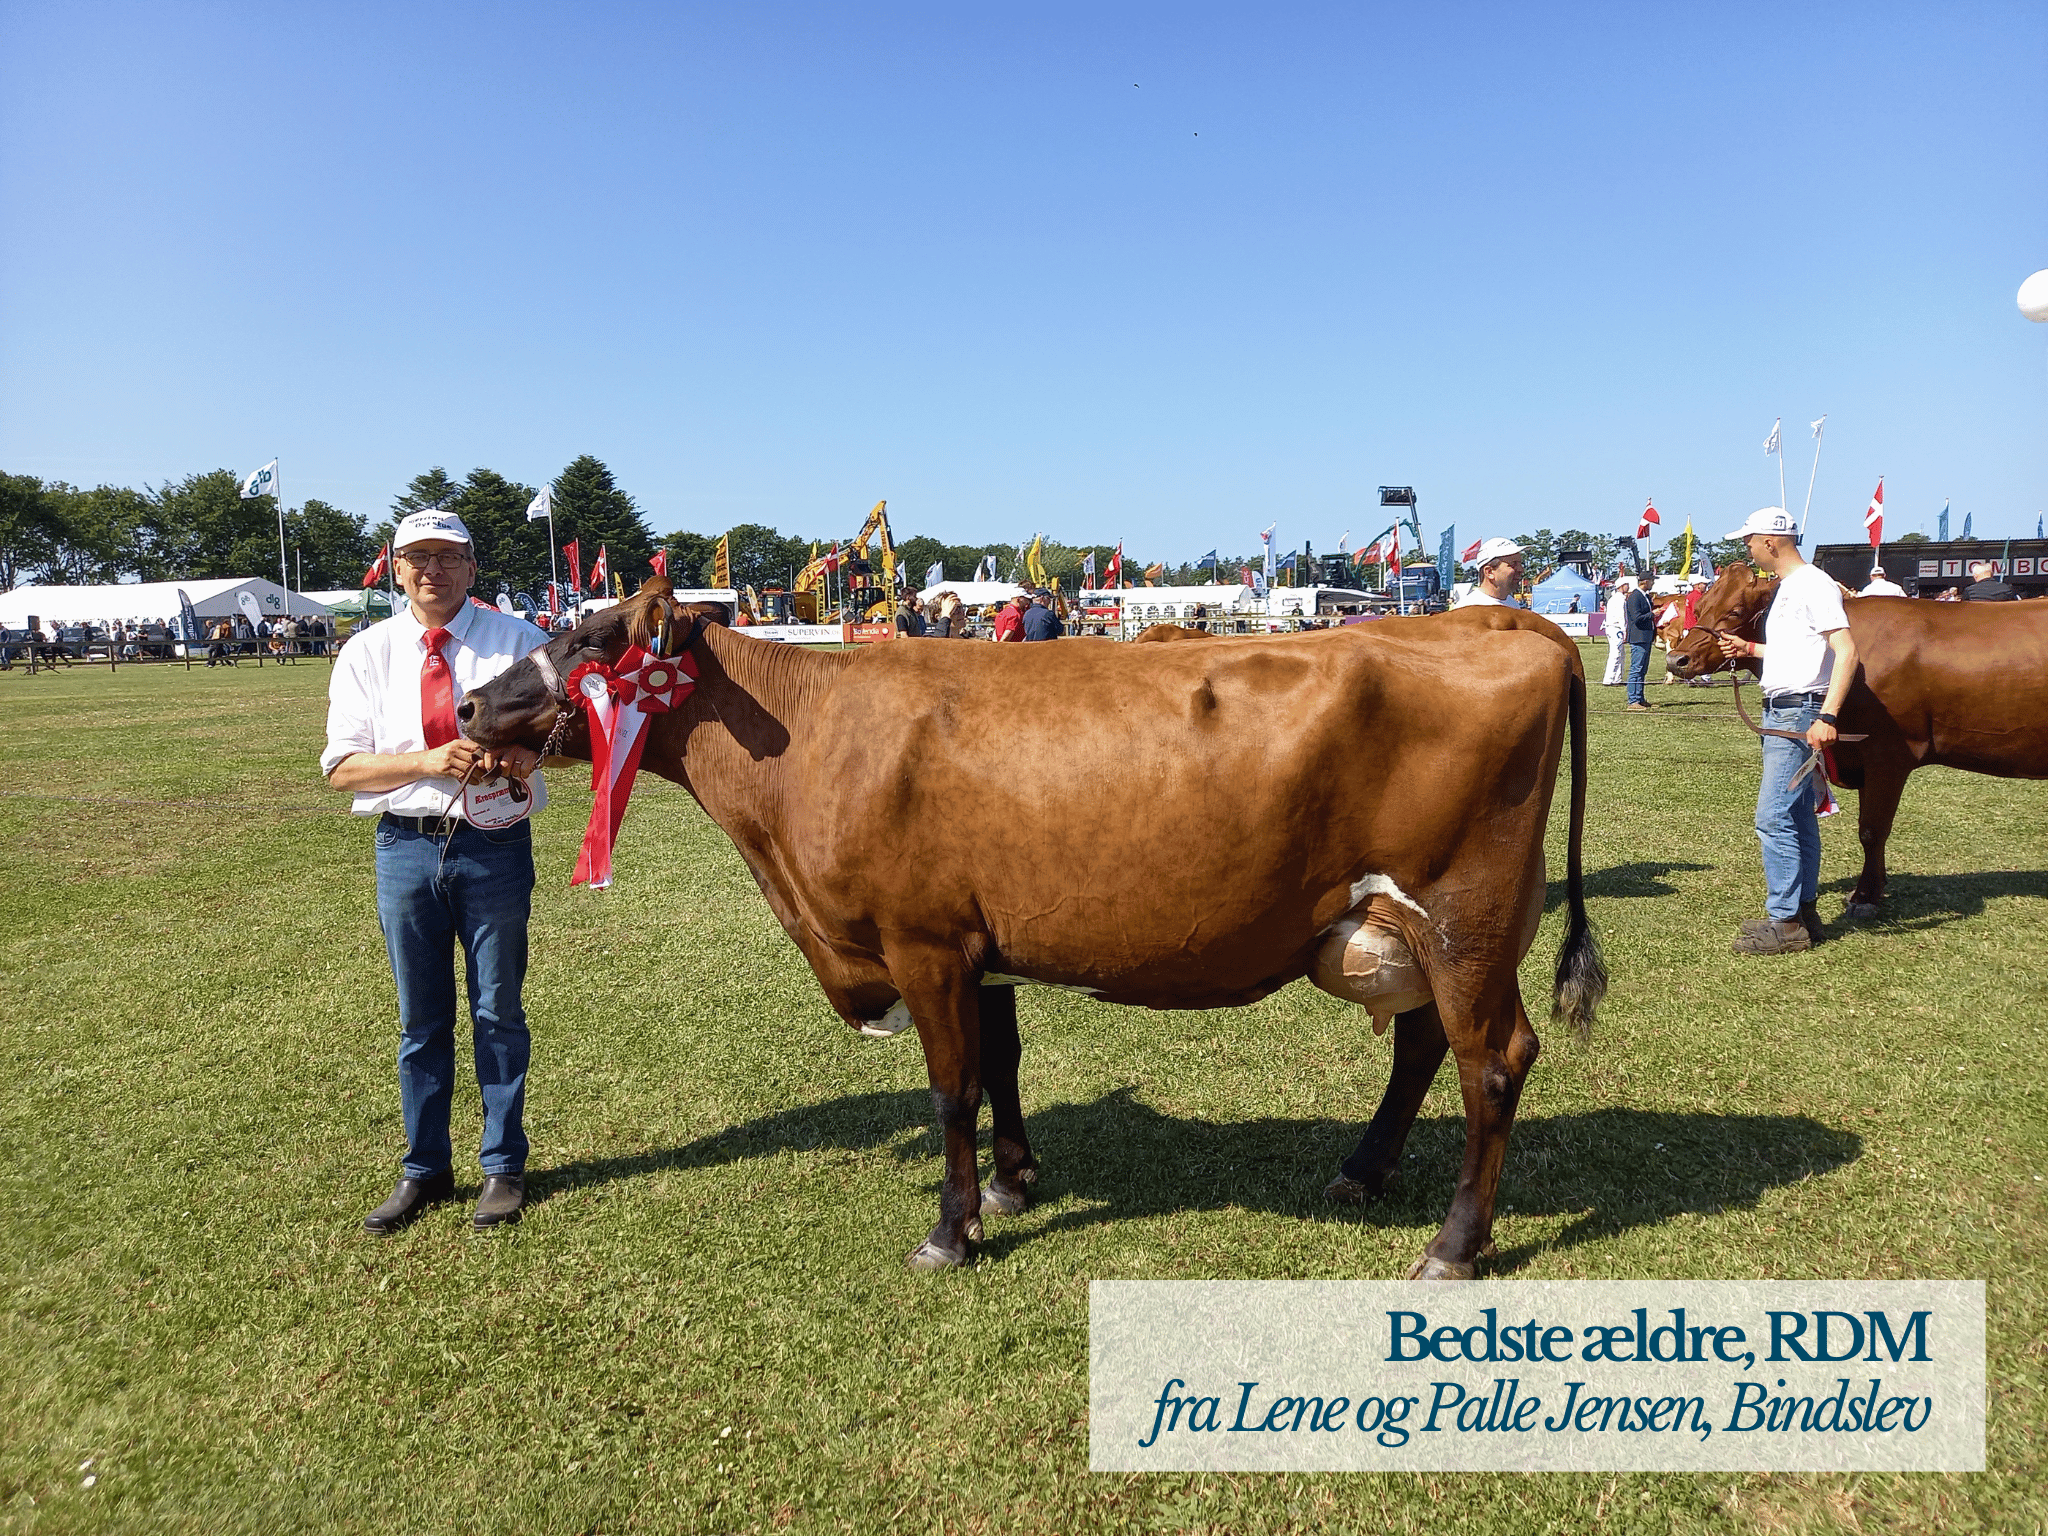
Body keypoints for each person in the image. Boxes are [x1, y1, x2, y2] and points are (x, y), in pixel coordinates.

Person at [321, 510, 549, 1233]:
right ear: (396, 569)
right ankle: (424, 1170)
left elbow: (575, 730)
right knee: (421, 1021)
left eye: (448, 557)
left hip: (494, 846)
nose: (433, 570)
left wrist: (529, 756)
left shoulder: (519, 641)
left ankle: (502, 1168)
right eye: (418, 557)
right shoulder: (367, 652)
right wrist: (424, 760)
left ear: (473, 567)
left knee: (497, 1013)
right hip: (405, 849)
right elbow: (341, 769)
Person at [1714, 507, 1857, 957]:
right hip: (1787, 712)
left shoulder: (1812, 583)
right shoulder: (1796, 586)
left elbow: (1845, 649)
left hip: (1799, 714)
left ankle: (1785, 924)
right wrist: (1751, 648)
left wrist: (1828, 716)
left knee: (1773, 816)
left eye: (1749, 541)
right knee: (1794, 815)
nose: (1748, 548)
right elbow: (1802, 648)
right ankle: (1802, 913)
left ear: (1771, 542)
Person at [1456, 539, 1524, 607]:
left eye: (1520, 563)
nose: (1521, 570)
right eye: (1513, 564)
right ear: (1489, 572)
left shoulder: (1513, 604)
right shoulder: (1467, 608)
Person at [1623, 578, 1656, 708]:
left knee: (1642, 669)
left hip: (1646, 636)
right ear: (1645, 582)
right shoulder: (1635, 597)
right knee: (1636, 669)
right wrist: (1652, 614)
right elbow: (1636, 618)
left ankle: (1640, 697)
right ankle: (1633, 700)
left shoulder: (1645, 596)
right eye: (1651, 581)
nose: (1653, 583)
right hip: (1638, 637)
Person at [1601, 578, 1630, 685]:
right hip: (1616, 629)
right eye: (1626, 585)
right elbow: (1621, 616)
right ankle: (1609, 679)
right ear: (1621, 586)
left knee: (1620, 653)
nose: (1628, 586)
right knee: (1616, 653)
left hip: (1612, 628)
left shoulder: (1615, 598)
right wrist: (1624, 630)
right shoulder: (1619, 600)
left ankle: (1617, 678)